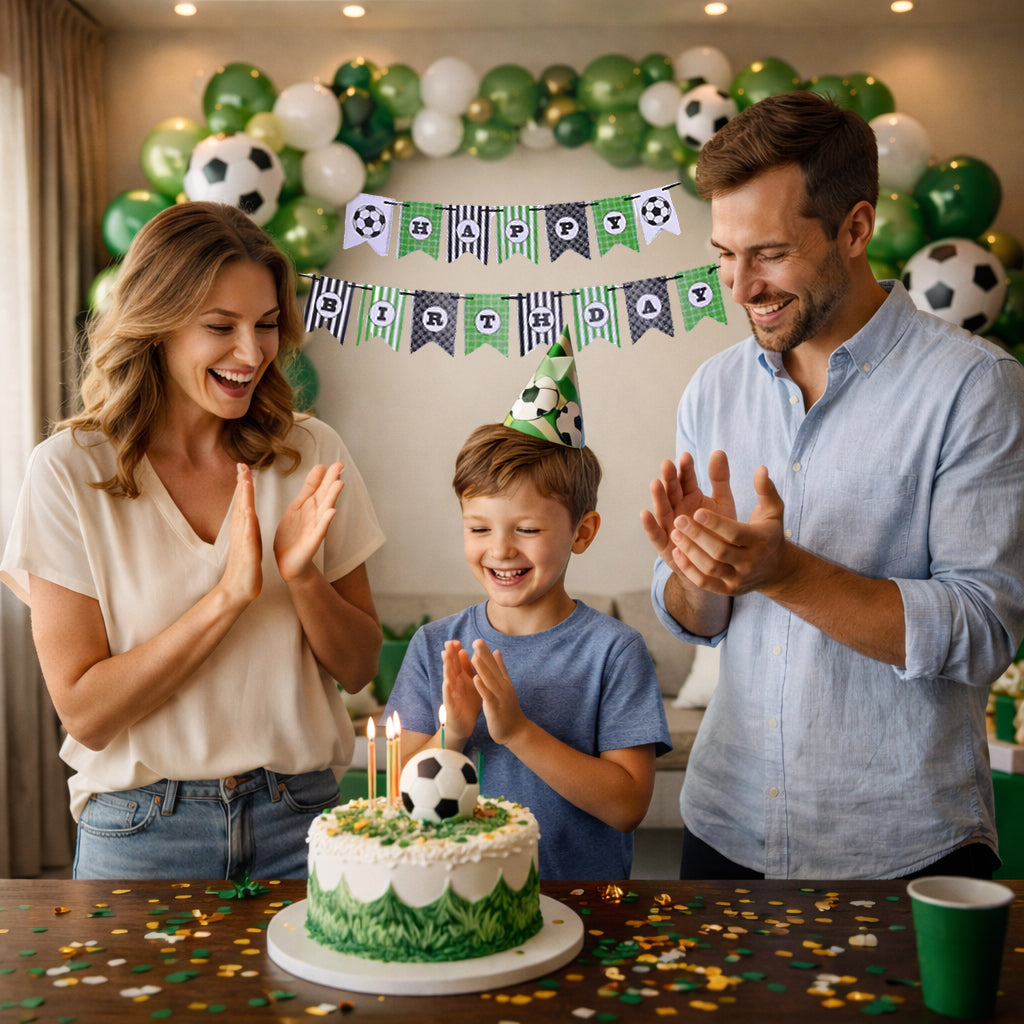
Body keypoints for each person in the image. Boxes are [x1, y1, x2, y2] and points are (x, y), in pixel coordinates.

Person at [641, 91, 1024, 881]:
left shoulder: (976, 388)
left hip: (903, 848)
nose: (739, 287)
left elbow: (986, 629)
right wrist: (698, 571)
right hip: (725, 827)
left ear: (855, 229)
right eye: (723, 253)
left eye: (769, 253)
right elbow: (696, 619)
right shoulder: (713, 390)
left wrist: (783, 572)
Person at [0, 201, 385, 880]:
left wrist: (302, 579)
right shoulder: (69, 471)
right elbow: (86, 713)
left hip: (303, 823)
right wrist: (230, 597)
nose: (252, 353)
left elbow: (357, 668)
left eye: (266, 326)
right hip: (143, 833)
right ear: (158, 325)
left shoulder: (311, 450)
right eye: (220, 326)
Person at [386, 415, 671, 880]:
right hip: (459, 898)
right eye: (479, 530)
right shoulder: (435, 645)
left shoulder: (615, 651)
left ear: (582, 532)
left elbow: (627, 807)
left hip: (582, 906)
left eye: (527, 530)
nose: (500, 550)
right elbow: (394, 792)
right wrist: (454, 731)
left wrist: (518, 731)